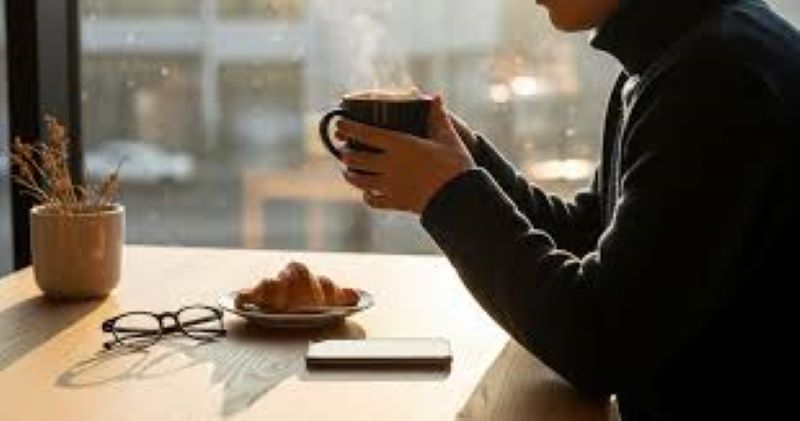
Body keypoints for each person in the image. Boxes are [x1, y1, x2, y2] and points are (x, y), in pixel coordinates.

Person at [334, 0, 799, 419]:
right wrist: (470, 160)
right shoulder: (679, 54)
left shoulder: (715, 78)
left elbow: (601, 343)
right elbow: (591, 236)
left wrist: (447, 194)